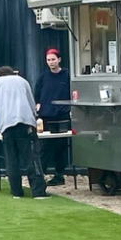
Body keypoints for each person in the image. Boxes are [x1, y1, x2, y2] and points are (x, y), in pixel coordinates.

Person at [0, 65, 42, 198]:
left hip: (6, 125)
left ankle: (16, 191)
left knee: (11, 160)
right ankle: (38, 191)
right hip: (25, 123)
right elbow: (31, 102)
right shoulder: (22, 81)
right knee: (31, 158)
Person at [35, 47, 73, 186]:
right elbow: (37, 93)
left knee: (60, 146)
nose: (50, 62)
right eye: (48, 60)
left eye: (53, 59)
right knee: (44, 147)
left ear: (59, 60)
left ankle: (59, 174)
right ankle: (40, 174)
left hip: (62, 115)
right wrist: (38, 104)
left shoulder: (67, 75)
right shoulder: (43, 77)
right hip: (46, 115)